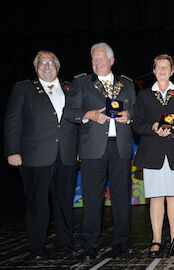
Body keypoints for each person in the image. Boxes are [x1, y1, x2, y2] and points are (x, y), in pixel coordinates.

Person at [63, 42, 136, 259]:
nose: (97, 62)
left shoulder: (127, 84)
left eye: (101, 58)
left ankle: (122, 242)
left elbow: (136, 109)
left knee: (122, 197)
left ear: (112, 61)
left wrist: (129, 116)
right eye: (94, 58)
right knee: (92, 198)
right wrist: (89, 114)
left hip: (120, 147)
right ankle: (91, 244)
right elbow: (69, 111)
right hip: (92, 149)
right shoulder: (81, 82)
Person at [4, 51, 78, 259]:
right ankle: (36, 247)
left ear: (58, 66)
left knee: (64, 202)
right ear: (36, 68)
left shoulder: (70, 89)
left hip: (66, 155)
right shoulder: (23, 88)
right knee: (37, 204)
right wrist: (13, 150)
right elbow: (12, 121)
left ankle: (65, 244)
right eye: (42, 63)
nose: (47, 66)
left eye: (51, 62)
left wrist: (79, 149)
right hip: (35, 156)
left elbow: (77, 122)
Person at [132, 54, 174, 257]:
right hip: (152, 152)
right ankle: (156, 240)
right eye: (159, 67)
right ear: (154, 70)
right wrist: (153, 126)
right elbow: (136, 123)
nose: (163, 70)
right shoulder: (144, 95)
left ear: (172, 71)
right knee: (156, 197)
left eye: (166, 67)